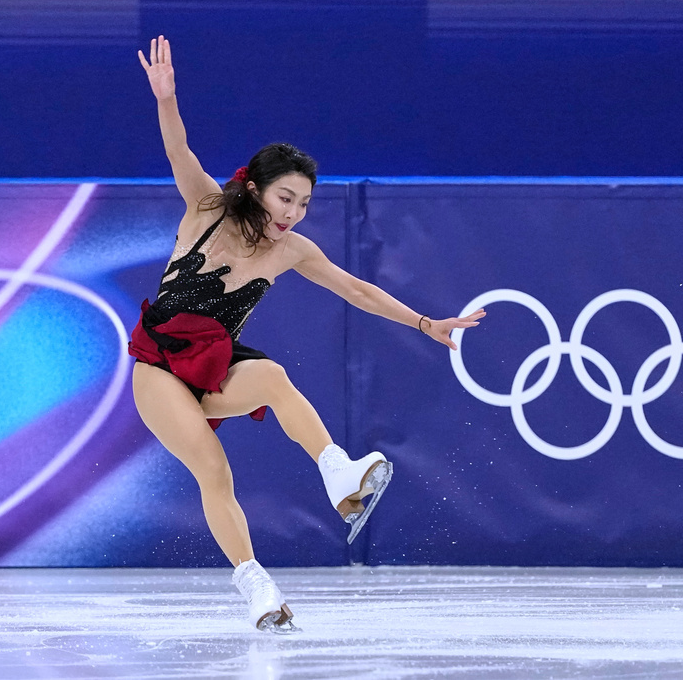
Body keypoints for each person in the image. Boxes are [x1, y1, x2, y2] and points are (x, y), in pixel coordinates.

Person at [131, 35, 485, 633]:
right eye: (284, 197)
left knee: (270, 374)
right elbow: (178, 148)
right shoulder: (207, 206)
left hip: (216, 365)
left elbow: (358, 291)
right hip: (159, 368)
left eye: (303, 203)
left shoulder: (292, 250)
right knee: (215, 471)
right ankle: (256, 585)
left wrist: (425, 323)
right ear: (256, 188)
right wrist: (166, 98)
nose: (293, 212)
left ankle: (338, 472)